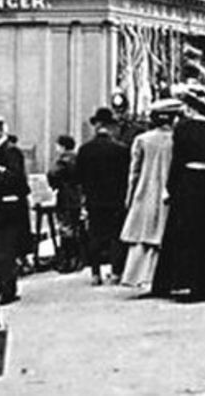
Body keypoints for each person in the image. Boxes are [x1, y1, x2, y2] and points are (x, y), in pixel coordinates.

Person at [152, 85, 205, 301]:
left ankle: (176, 280)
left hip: (186, 183)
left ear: (192, 109)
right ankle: (204, 283)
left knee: (181, 231)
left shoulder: (183, 130)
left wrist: (170, 187)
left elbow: (177, 160)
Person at [119, 100, 181, 293]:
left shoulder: (143, 140)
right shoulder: (177, 140)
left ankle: (140, 277)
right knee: (165, 235)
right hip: (170, 192)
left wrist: (130, 197)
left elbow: (134, 172)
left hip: (145, 191)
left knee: (143, 236)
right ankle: (165, 278)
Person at [77, 107, 131, 285]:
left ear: (97, 126)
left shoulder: (85, 150)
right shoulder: (121, 150)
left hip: (94, 199)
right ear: (110, 127)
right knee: (116, 236)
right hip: (116, 199)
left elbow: (79, 176)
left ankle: (95, 274)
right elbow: (127, 176)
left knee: (95, 235)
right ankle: (116, 272)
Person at [0, 115, 31, 304]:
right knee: (2, 250)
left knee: (6, 250)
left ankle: (7, 290)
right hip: (0, 208)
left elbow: (16, 177)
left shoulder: (10, 151)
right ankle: (6, 286)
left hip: (8, 209)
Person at [47, 134, 84, 274]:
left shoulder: (63, 160)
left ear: (62, 146)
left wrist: (54, 186)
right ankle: (78, 259)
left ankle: (67, 261)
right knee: (75, 228)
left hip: (66, 197)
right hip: (77, 197)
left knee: (65, 229)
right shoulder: (78, 158)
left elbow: (52, 174)